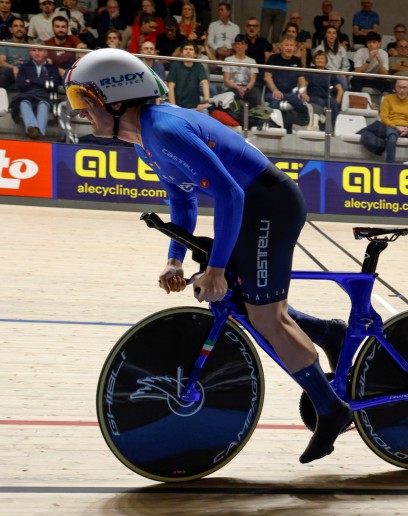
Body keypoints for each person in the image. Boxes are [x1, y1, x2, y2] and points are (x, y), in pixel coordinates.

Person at [64, 47, 352, 464]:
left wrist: (216, 268)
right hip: (250, 206)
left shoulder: (163, 130)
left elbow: (230, 193)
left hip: (268, 204)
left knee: (267, 316)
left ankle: (331, 409)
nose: (82, 114)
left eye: (86, 104)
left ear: (116, 99)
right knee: (242, 300)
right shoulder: (145, 140)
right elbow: (183, 205)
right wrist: (175, 260)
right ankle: (328, 333)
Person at [11, 45, 62, 139]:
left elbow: (54, 84)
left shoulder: (52, 68)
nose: (37, 53)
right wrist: (44, 82)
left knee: (43, 105)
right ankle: (35, 129)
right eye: (34, 50)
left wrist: (31, 80)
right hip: (27, 95)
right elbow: (20, 84)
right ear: (30, 53)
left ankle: (35, 132)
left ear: (46, 53)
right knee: (23, 102)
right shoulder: (24, 67)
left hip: (44, 96)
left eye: (40, 50)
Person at [377, 78, 408, 164]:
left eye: (404, 87)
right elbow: (384, 117)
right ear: (396, 87)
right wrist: (396, 127)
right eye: (399, 87)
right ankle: (390, 165)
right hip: (392, 126)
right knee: (392, 137)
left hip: (406, 127)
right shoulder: (387, 99)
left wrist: (407, 128)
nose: (402, 90)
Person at [263, 35, 308, 115]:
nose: (289, 48)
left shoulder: (297, 61)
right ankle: (278, 126)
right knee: (275, 104)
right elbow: (267, 77)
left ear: (295, 48)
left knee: (303, 105)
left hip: (291, 94)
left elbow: (301, 79)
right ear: (280, 46)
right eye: (286, 45)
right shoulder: (273, 58)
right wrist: (275, 90)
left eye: (291, 45)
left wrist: (303, 92)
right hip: (274, 93)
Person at [166, 40, 210, 111]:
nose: (188, 51)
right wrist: (174, 107)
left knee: (205, 112)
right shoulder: (175, 65)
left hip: (195, 107)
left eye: (191, 49)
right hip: (179, 107)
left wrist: (206, 102)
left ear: (195, 54)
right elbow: (170, 86)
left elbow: (205, 82)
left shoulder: (198, 65)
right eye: (185, 49)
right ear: (181, 53)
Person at [305, 50, 343, 124]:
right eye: (318, 58)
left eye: (322, 58)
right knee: (320, 101)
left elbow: (340, 89)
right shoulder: (309, 71)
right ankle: (318, 123)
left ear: (325, 60)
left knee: (333, 103)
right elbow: (304, 85)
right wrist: (305, 96)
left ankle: (334, 126)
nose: (320, 60)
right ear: (314, 60)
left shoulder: (329, 73)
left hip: (326, 97)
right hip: (312, 96)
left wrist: (337, 101)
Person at [222, 34, 259, 105]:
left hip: (246, 88)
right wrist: (237, 88)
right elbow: (226, 79)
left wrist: (246, 89)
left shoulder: (252, 61)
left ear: (247, 46)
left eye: (243, 44)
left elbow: (253, 80)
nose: (240, 47)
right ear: (234, 46)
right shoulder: (228, 60)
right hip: (232, 87)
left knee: (254, 95)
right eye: (238, 44)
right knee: (234, 94)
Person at [0, 17, 29, 88]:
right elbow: (1, 63)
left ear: (25, 30)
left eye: (21, 26)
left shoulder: (31, 47)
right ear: (11, 30)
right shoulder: (5, 44)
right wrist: (14, 68)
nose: (19, 29)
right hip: (8, 71)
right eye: (16, 26)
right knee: (4, 75)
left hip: (26, 72)